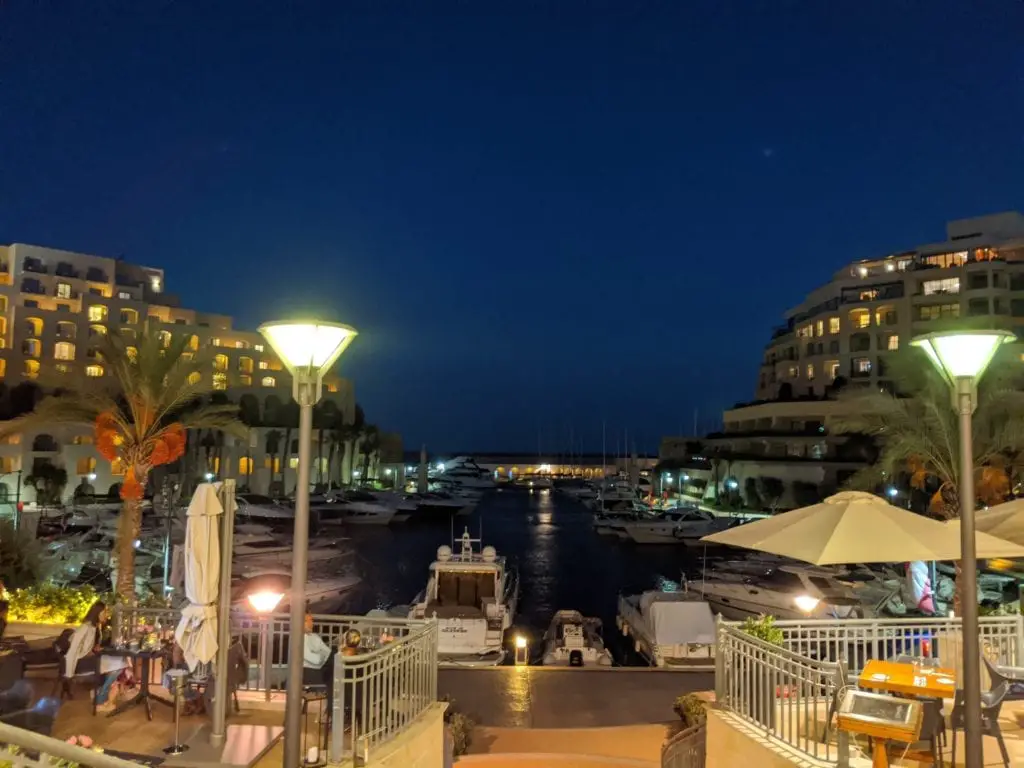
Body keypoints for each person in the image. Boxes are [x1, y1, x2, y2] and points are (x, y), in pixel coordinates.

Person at [63, 601, 126, 709]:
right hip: (81, 662)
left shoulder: (95, 626)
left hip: (90, 658)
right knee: (118, 665)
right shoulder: (85, 627)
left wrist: (95, 648)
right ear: (98, 613)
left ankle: (98, 693)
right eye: (104, 612)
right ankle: (100, 700)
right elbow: (73, 650)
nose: (106, 614)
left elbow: (89, 644)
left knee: (120, 661)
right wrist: (69, 673)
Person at [302, 614, 336, 719]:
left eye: (311, 620)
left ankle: (331, 712)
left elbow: (328, 652)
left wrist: (320, 655)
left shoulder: (314, 637)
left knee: (336, 656)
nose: (312, 623)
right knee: (334, 678)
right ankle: (331, 713)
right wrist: (322, 655)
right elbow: (316, 660)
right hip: (309, 673)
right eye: (308, 621)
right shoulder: (299, 639)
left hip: (322, 668)